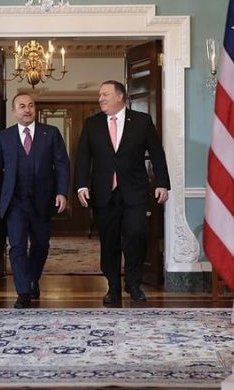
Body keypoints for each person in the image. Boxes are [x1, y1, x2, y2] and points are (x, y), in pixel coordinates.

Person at [75, 80, 170, 305]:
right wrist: (81, 186)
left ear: (120, 96)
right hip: (104, 193)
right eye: (100, 95)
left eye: (105, 94)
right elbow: (83, 157)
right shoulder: (92, 124)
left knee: (136, 235)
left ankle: (133, 284)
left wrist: (162, 183)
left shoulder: (142, 121)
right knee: (109, 242)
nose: (100, 98)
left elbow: (157, 153)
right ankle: (113, 287)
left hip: (134, 192)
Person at [0, 92, 70, 309]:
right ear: (14, 111)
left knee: (41, 245)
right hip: (15, 202)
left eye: (31, 105)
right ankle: (23, 292)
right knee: (17, 246)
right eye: (22, 106)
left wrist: (62, 192)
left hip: (43, 200)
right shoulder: (3, 137)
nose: (27, 110)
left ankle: (32, 279)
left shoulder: (50, 133)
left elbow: (62, 164)